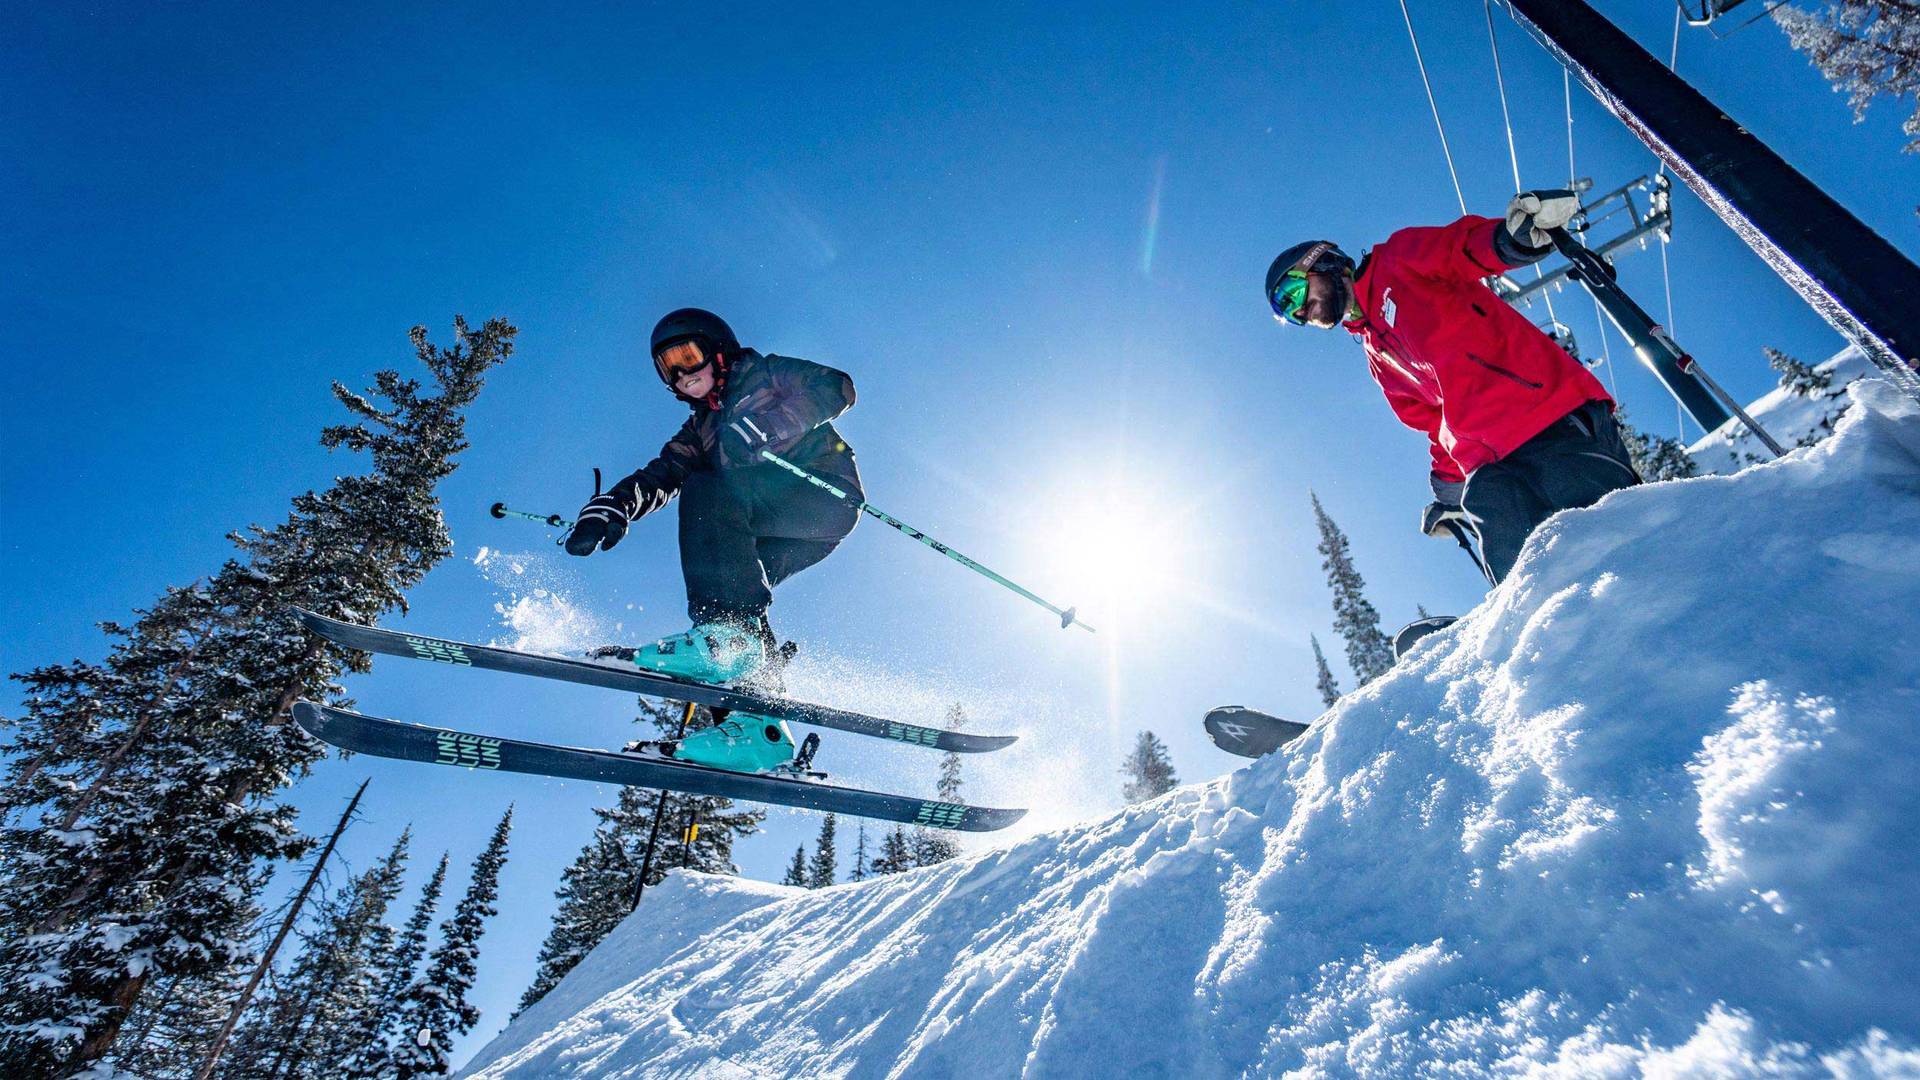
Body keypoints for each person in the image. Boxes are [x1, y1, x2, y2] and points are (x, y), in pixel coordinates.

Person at [1265, 192, 1641, 649]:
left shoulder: (1397, 262)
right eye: (1290, 315)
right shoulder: (1377, 355)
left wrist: (1511, 239)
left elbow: (1461, 248)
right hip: (1490, 471)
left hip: (1547, 419)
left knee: (1618, 548)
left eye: (1294, 294)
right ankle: (1552, 659)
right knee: (1525, 587)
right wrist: (1447, 493)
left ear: (1323, 262)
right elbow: (1435, 423)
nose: (1300, 312)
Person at [564, 307, 860, 772]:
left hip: (821, 495)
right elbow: (661, 475)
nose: (681, 374)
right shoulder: (699, 430)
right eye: (668, 368)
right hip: (767, 529)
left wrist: (771, 425)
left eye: (687, 356)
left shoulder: (766, 374)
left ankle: (730, 639)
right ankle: (758, 728)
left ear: (718, 350)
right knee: (728, 584)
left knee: (710, 497)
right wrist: (615, 505)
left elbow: (837, 387)